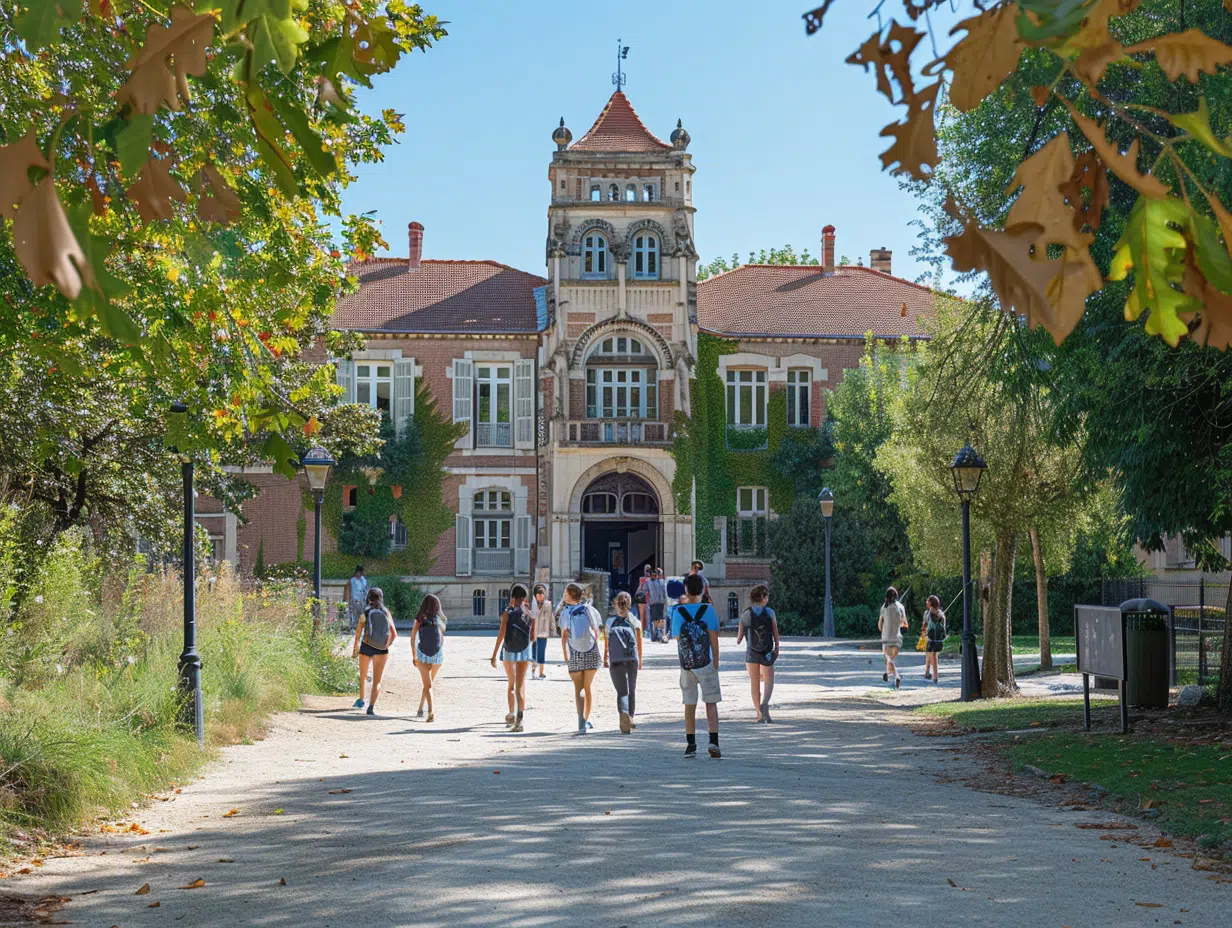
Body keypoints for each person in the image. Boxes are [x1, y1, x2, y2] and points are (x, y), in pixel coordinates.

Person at [670, 573, 722, 758]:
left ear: (686, 590)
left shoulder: (678, 612)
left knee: (689, 704)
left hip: (687, 664)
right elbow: (714, 638)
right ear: (703, 590)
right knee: (711, 702)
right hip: (705, 662)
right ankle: (713, 741)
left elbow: (676, 637)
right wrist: (715, 661)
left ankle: (690, 744)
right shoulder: (709, 611)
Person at [490, 584, 534, 732]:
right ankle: (520, 718)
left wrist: (494, 654)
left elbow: (501, 634)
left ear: (512, 597)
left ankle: (511, 714)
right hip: (524, 651)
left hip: (509, 651)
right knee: (521, 686)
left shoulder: (507, 612)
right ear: (525, 597)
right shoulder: (528, 611)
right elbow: (532, 636)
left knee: (511, 685)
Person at [559, 581, 602, 735]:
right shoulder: (587, 609)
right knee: (588, 687)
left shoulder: (565, 612)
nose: (564, 595)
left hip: (574, 652)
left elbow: (564, 636)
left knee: (579, 689)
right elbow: (597, 631)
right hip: (591, 650)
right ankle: (587, 717)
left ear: (570, 596)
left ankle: (581, 723)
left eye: (565, 593)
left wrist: (566, 656)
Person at [736, 583, 780, 723]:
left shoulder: (745, 614)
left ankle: (759, 714)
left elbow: (739, 638)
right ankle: (765, 703)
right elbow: (775, 632)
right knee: (768, 681)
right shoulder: (770, 613)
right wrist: (777, 647)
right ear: (764, 598)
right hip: (766, 651)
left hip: (751, 652)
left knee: (754, 683)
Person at [604, 591, 644, 734]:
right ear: (630, 605)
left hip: (616, 659)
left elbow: (607, 643)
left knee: (622, 691)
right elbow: (639, 642)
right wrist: (639, 659)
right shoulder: (634, 621)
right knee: (631, 690)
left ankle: (623, 714)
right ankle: (630, 717)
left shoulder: (609, 622)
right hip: (631, 659)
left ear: (616, 604)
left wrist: (605, 658)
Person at [351, 587, 395, 715]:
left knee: (363, 675)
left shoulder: (365, 613)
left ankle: (361, 700)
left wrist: (355, 650)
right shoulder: (386, 612)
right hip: (382, 650)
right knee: (377, 681)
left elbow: (358, 634)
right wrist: (386, 645)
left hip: (366, 647)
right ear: (381, 598)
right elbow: (394, 634)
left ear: (368, 598)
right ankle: (371, 707)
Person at [410, 594, 446, 722]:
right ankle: (421, 708)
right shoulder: (439, 620)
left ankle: (430, 711)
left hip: (422, 654)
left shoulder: (419, 619)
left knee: (427, 685)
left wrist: (414, 654)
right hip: (437, 655)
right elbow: (441, 639)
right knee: (428, 684)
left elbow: (413, 637)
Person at [878, 586, 908, 690]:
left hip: (886, 638)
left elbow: (879, 625)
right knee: (889, 660)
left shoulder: (884, 607)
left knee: (889, 659)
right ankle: (887, 674)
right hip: (897, 638)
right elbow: (905, 624)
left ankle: (896, 676)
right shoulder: (901, 607)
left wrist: (883, 630)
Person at [531, 583, 555, 680]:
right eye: (538, 594)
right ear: (535, 595)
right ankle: (532, 672)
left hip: (544, 632)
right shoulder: (532, 604)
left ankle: (541, 673)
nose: (540, 596)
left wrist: (553, 627)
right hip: (534, 632)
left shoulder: (548, 604)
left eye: (542, 594)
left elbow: (551, 616)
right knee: (533, 653)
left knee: (541, 652)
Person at [923, 594, 946, 683]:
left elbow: (925, 624)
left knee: (933, 654)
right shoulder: (938, 613)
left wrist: (924, 632)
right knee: (930, 652)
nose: (926, 602)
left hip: (933, 636)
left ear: (930, 603)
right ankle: (927, 672)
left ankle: (935, 675)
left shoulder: (931, 613)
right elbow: (943, 625)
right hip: (936, 636)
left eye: (927, 600)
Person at [646, 568, 668, 643]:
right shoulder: (649, 581)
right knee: (654, 620)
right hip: (653, 603)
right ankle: (654, 635)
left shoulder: (662, 582)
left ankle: (660, 635)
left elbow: (665, 592)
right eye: (657, 574)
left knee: (661, 619)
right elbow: (645, 590)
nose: (658, 575)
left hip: (661, 603)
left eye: (660, 574)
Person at [344, 565, 369, 630]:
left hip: (362, 599)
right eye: (358, 572)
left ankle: (361, 626)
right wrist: (348, 599)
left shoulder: (363, 579)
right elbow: (347, 589)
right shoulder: (352, 580)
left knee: (361, 613)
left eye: (360, 573)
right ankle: (354, 627)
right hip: (354, 599)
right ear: (356, 572)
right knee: (353, 613)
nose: (359, 574)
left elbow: (366, 588)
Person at [635, 564, 652, 633]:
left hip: (648, 599)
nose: (647, 572)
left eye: (648, 570)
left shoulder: (652, 579)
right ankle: (643, 630)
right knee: (642, 616)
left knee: (647, 616)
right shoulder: (642, 578)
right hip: (642, 599)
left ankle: (647, 630)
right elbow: (639, 588)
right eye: (646, 570)